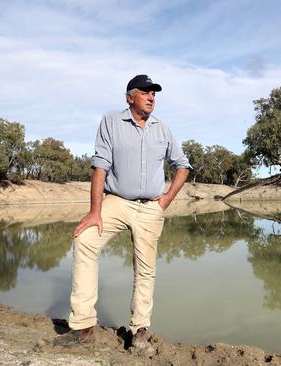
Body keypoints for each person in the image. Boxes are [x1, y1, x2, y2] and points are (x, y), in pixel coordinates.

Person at [54, 75, 190, 355]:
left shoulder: (163, 129)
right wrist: (95, 211)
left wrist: (165, 200)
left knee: (145, 268)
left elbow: (182, 166)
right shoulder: (111, 122)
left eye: (154, 93)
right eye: (145, 92)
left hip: (151, 207)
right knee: (85, 241)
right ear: (130, 97)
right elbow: (100, 166)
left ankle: (140, 330)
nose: (152, 97)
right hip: (116, 201)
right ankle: (82, 327)